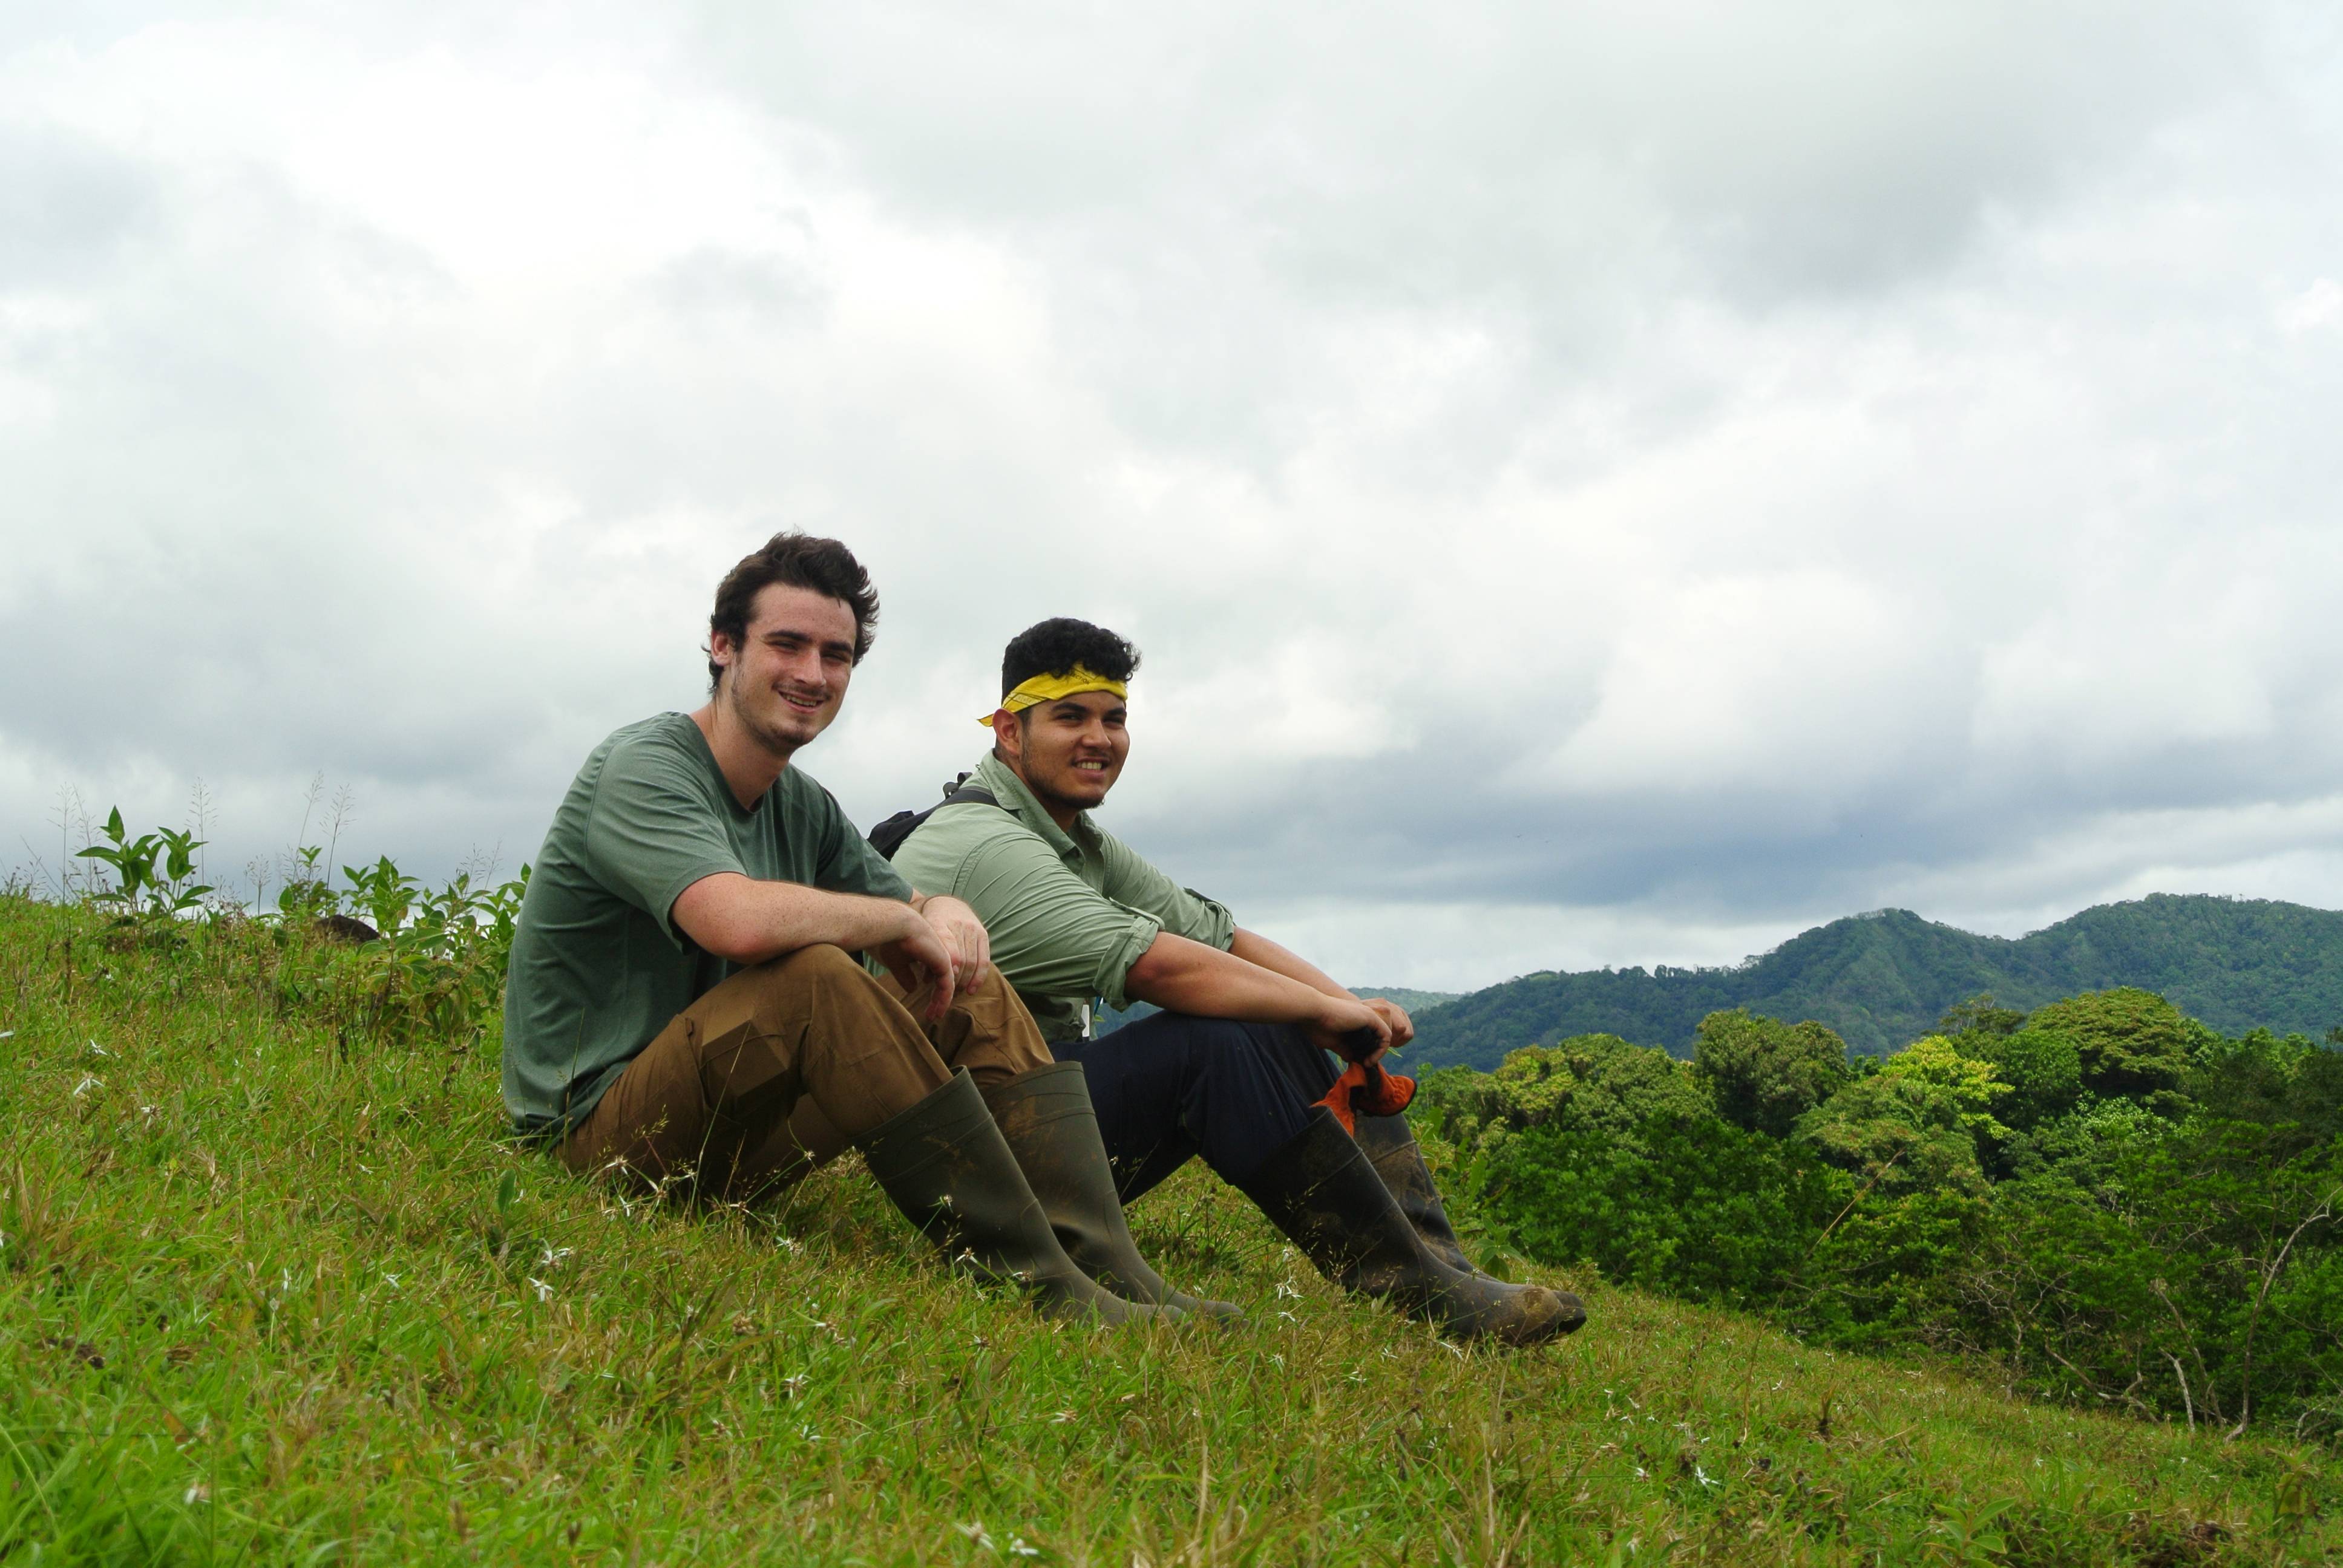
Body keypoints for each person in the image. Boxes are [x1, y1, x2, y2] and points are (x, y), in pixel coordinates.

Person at [500, 537, 1205, 1324]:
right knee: (817, 981)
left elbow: (918, 907)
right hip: (597, 1144)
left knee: (973, 985)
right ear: (723, 647)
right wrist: (902, 919)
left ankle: (1105, 1259)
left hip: (730, 1147)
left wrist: (948, 914)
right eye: (787, 645)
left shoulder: (801, 804)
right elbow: (730, 919)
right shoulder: (646, 764)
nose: (812, 674)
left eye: (836, 655)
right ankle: (1034, 1281)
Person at [888, 618, 1586, 1345]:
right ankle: (1415, 1291)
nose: (1098, 738)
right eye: (1070, 717)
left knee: (1267, 1012)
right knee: (1213, 1042)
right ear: (1008, 731)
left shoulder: (1072, 838)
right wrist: (1317, 1011)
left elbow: (1217, 937)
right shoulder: (984, 842)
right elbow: (1156, 964)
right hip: (948, 1152)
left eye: (1114, 718)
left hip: (1033, 1114)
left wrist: (1342, 1010)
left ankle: (1443, 1271)